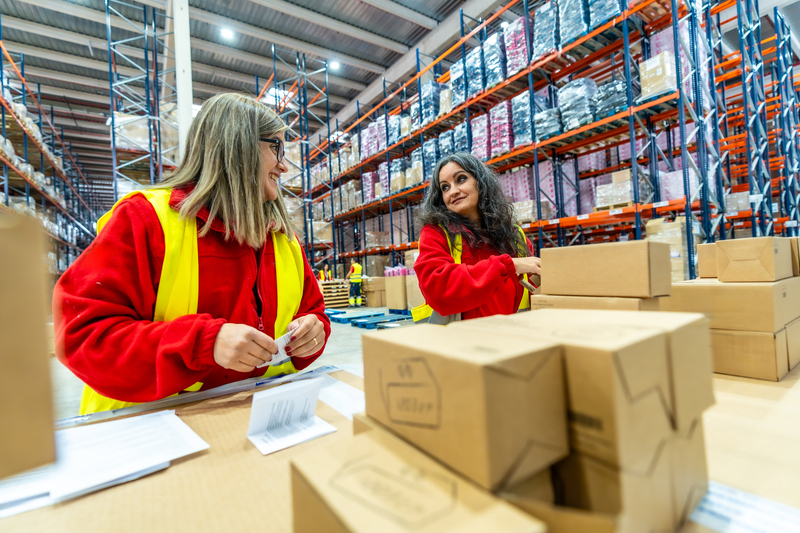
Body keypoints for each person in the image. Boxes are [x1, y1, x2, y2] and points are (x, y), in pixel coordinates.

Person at [53, 93, 330, 415]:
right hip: (154, 428)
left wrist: (314, 332)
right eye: (275, 148)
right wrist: (203, 343)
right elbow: (83, 336)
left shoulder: (282, 238)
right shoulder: (145, 220)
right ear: (237, 146)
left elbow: (313, 311)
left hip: (255, 417)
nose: (283, 165)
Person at [413, 152, 541, 323]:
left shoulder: (514, 235)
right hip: (457, 343)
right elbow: (438, 288)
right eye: (445, 187)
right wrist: (508, 265)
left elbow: (532, 291)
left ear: (481, 182)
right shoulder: (435, 233)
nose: (453, 191)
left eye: (461, 179)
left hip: (510, 338)